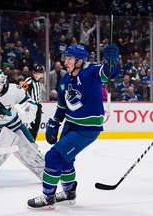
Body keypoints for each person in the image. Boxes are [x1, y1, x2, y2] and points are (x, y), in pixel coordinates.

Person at [27, 44, 120, 209]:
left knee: (53, 157)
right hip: (70, 125)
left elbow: (108, 73)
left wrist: (112, 61)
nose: (65, 61)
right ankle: (69, 193)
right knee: (66, 160)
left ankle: (48, 197)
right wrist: (55, 122)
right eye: (65, 58)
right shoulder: (64, 79)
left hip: (86, 129)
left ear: (79, 61)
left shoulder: (91, 72)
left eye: (70, 58)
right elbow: (62, 106)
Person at [22, 65, 45, 140]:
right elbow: (22, 90)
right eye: (36, 73)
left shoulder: (39, 83)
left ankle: (32, 142)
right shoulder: (29, 80)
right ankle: (29, 142)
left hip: (38, 106)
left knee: (36, 125)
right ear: (33, 73)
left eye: (39, 74)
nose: (38, 75)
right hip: (31, 106)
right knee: (31, 125)